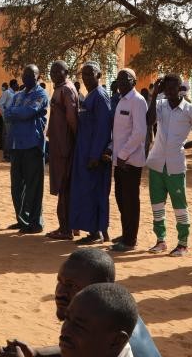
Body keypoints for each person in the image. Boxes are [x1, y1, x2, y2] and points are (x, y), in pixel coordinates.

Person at [0, 249, 179, 357]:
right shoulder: (91, 346)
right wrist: (37, 355)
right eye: (60, 282)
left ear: (101, 287)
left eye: (73, 286)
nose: (60, 293)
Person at [145, 74, 192, 256]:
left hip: (175, 165)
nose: (169, 91)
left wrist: (185, 146)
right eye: (166, 88)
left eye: (173, 88)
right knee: (157, 205)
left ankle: (183, 243)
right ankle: (160, 241)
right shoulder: (159, 105)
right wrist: (155, 94)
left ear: (180, 88)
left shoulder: (190, 110)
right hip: (156, 163)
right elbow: (149, 121)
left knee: (180, 205)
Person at [69, 62, 113, 245]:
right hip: (84, 152)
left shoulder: (100, 96)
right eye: (84, 75)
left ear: (99, 75)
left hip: (93, 156)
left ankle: (96, 233)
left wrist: (95, 155)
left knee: (94, 193)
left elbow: (103, 129)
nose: (86, 78)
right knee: (87, 192)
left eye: (90, 74)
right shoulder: (91, 95)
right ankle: (99, 230)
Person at [4, 64, 49, 234]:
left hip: (32, 145)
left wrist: (16, 112)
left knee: (33, 187)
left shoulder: (41, 94)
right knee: (17, 187)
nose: (27, 78)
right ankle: (22, 220)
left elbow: (28, 112)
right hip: (16, 145)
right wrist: (18, 112)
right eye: (25, 75)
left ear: (38, 77)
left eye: (31, 75)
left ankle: (35, 222)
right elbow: (6, 113)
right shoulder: (18, 95)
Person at [110, 69, 149, 252]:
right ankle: (126, 233)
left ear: (134, 81)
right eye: (119, 79)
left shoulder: (137, 101)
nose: (121, 82)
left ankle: (130, 240)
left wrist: (123, 154)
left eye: (125, 79)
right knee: (121, 199)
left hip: (130, 161)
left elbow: (140, 132)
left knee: (130, 201)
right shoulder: (121, 100)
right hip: (119, 160)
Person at [45, 61, 79, 240]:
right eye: (51, 71)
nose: (53, 74)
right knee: (63, 186)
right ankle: (70, 226)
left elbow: (72, 120)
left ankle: (66, 229)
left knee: (64, 187)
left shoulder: (66, 90)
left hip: (64, 147)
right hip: (58, 145)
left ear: (66, 72)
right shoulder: (59, 89)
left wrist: (73, 143)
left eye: (57, 71)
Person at [0, 80, 17, 161]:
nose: (18, 85)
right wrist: (5, 115)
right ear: (13, 85)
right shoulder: (7, 92)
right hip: (7, 118)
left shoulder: (15, 94)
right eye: (16, 84)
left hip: (13, 118)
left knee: (11, 136)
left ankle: (10, 154)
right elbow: (1, 104)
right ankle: (6, 155)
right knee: (7, 136)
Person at [0, 82, 10, 150]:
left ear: (7, 87)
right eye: (2, 86)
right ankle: (1, 145)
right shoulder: (4, 94)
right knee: (0, 130)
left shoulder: (7, 93)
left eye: (3, 86)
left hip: (2, 116)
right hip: (0, 115)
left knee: (2, 131)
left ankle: (1, 145)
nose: (2, 87)